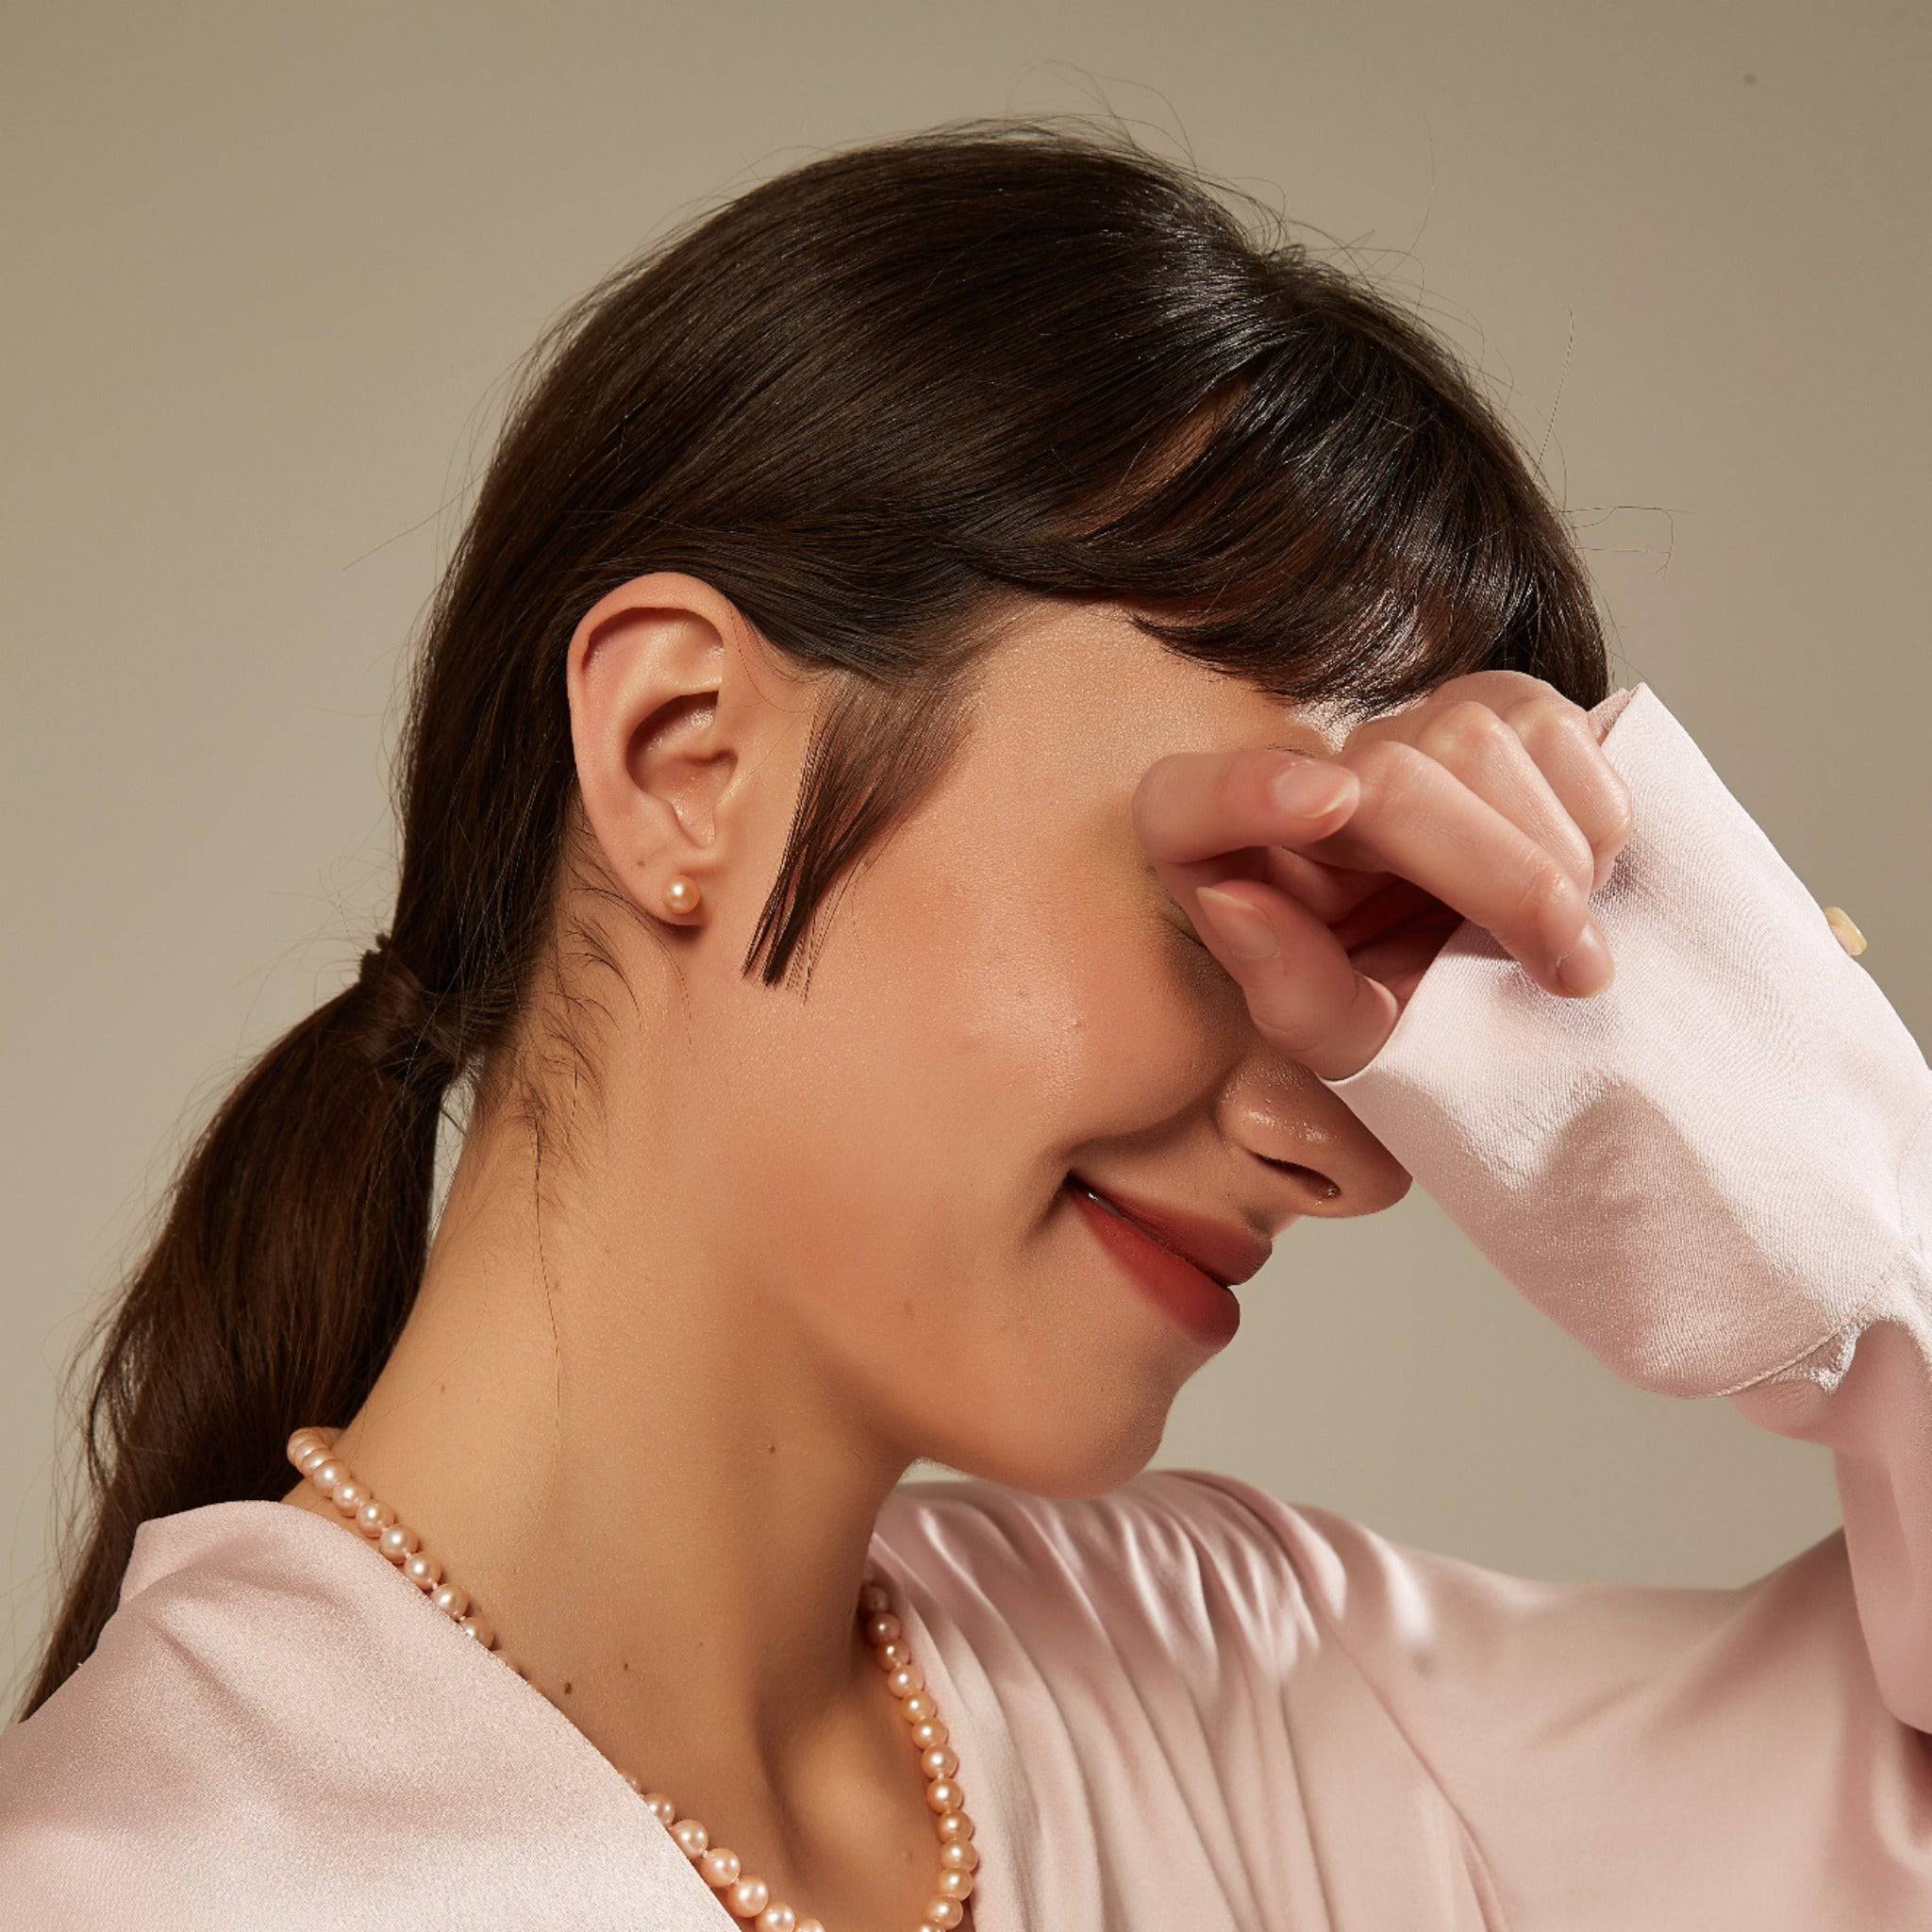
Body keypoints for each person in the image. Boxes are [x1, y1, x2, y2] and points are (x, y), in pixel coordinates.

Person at [2, 117, 1925, 1932]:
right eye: (1240, 881)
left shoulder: (1232, 1679)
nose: (1348, 1143)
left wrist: (1698, 1040)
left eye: (1398, 953)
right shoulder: (157, 1876)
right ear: (685, 757)